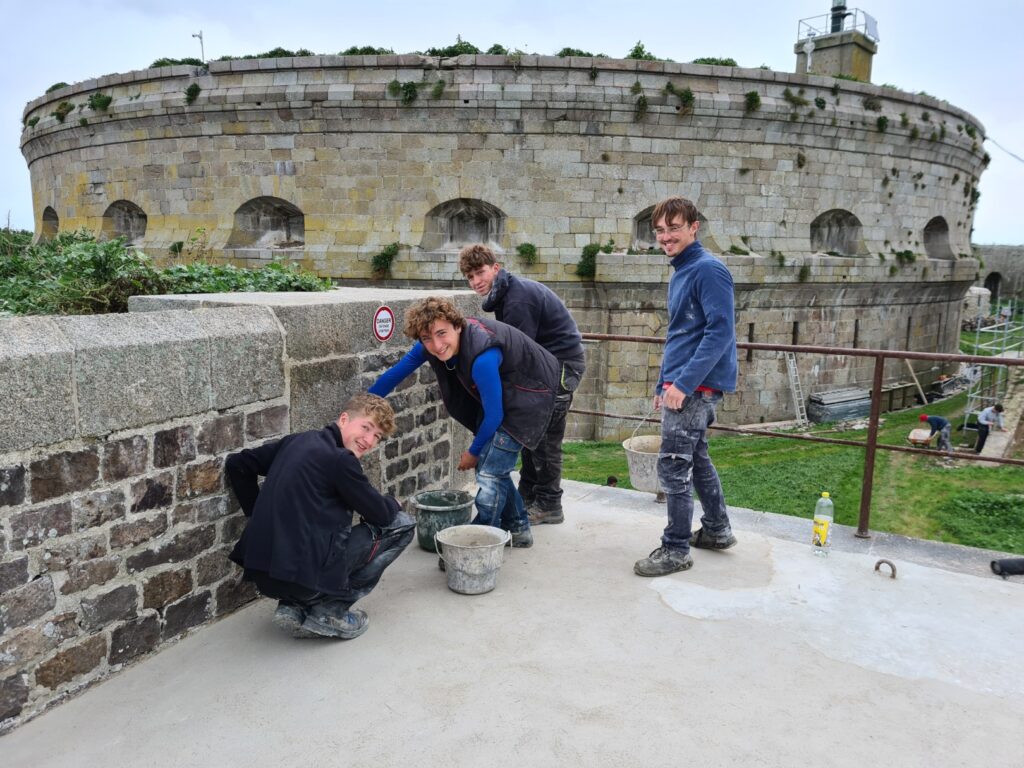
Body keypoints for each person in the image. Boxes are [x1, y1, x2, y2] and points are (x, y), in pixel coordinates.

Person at [370, 297, 559, 548]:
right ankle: (519, 528)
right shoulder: (430, 344)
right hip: (504, 392)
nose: (436, 345)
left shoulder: (483, 356)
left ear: (457, 326)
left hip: (532, 395)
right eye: (427, 338)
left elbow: (494, 416)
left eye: (442, 334)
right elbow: (395, 374)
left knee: (489, 473)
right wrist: (364, 404)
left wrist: (473, 452)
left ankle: (477, 544)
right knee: (495, 469)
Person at [225, 393, 414, 639]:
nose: (369, 440)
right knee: (403, 524)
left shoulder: (297, 441)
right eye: (366, 428)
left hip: (263, 577)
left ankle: (293, 607)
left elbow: (238, 464)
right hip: (301, 582)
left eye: (377, 436)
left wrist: (256, 514)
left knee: (319, 540)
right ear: (344, 419)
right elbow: (381, 514)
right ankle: (329, 609)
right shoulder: (341, 461)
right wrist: (393, 502)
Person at [634, 196, 738, 577]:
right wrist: (666, 383)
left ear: (694, 227)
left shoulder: (708, 269)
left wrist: (683, 384)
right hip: (685, 383)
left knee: (674, 465)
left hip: (697, 386)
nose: (665, 236)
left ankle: (676, 549)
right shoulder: (684, 268)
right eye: (660, 230)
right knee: (698, 458)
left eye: (673, 228)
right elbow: (683, 334)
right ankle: (717, 529)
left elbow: (719, 332)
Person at [459, 244, 587, 525]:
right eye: (470, 277)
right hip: (549, 364)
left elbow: (519, 352)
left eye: (480, 272)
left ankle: (550, 504)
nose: (476, 281)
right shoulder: (507, 293)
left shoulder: (517, 299)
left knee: (544, 439)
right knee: (529, 432)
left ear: (496, 267)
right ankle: (528, 494)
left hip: (561, 369)